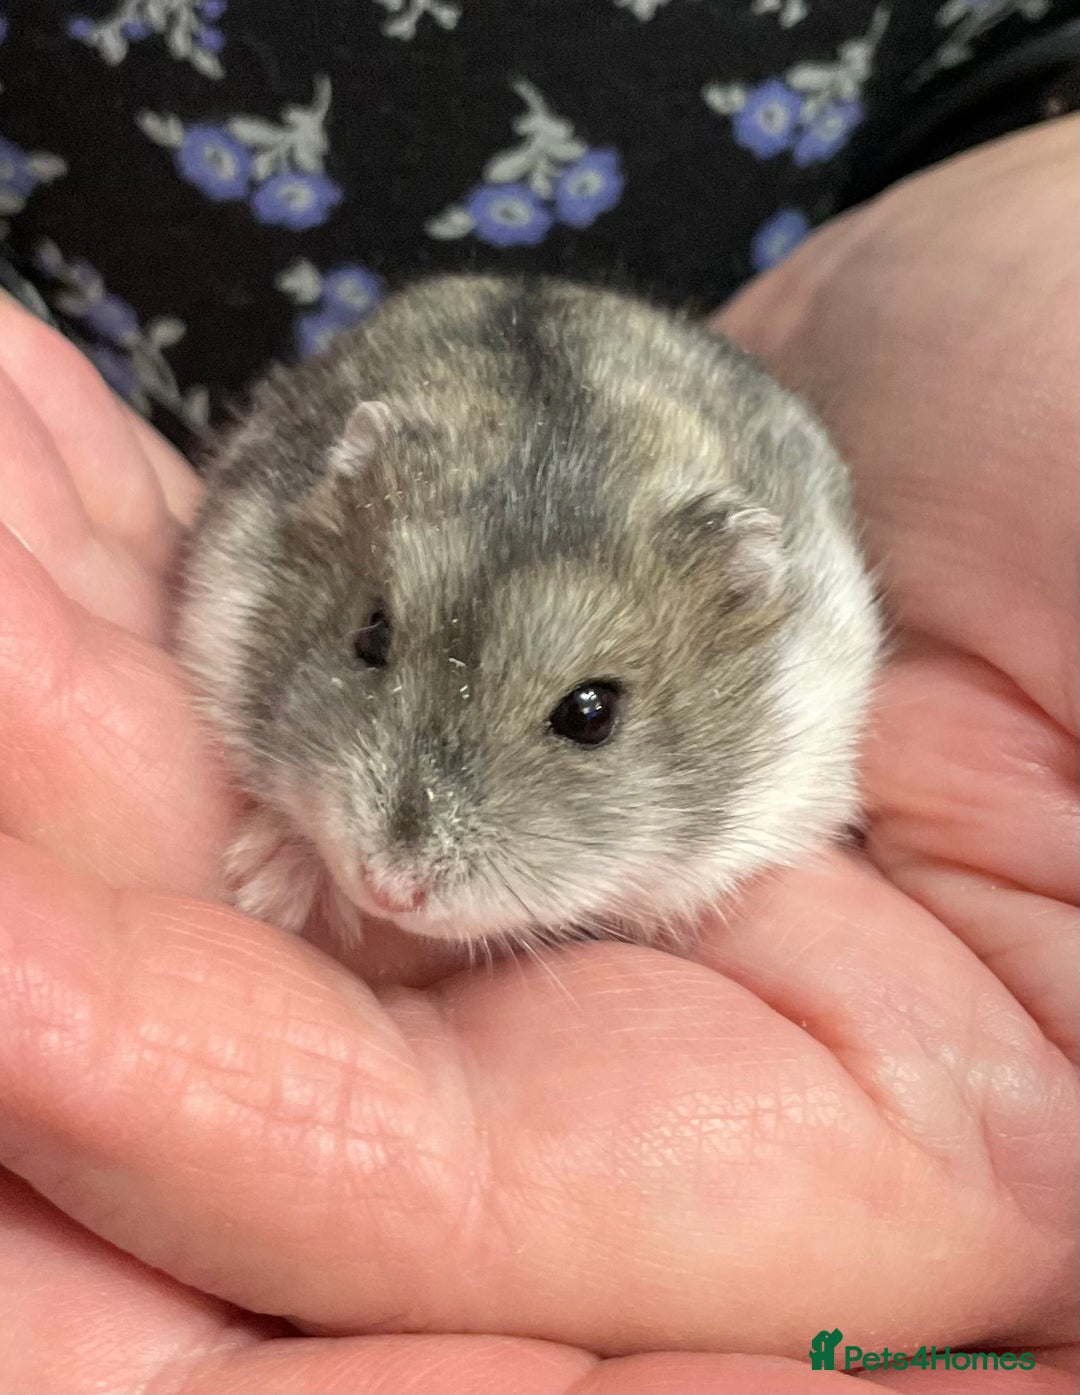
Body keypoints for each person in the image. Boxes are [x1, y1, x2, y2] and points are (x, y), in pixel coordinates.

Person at [0, 5, 1076, 1392]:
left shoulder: (757, 606)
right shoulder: (325, 523)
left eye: (582, 716)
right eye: (374, 641)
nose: (406, 865)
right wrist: (289, 800)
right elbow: (250, 528)